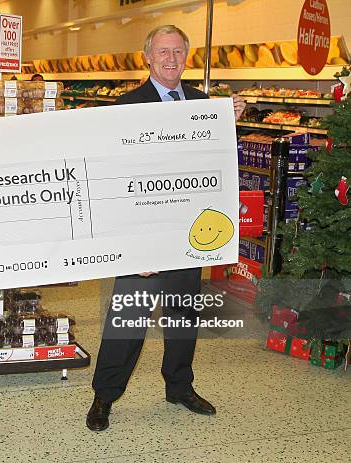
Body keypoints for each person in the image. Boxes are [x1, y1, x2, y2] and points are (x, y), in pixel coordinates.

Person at [86, 25, 246, 432]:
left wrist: (228, 122)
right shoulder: (126, 105)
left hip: (190, 234)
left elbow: (211, 162)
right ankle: (104, 396)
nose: (171, 59)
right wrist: (128, 246)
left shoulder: (201, 103)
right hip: (144, 236)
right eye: (163, 52)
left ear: (186, 56)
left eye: (177, 51)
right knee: (128, 320)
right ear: (148, 58)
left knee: (182, 316)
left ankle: (179, 386)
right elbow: (113, 175)